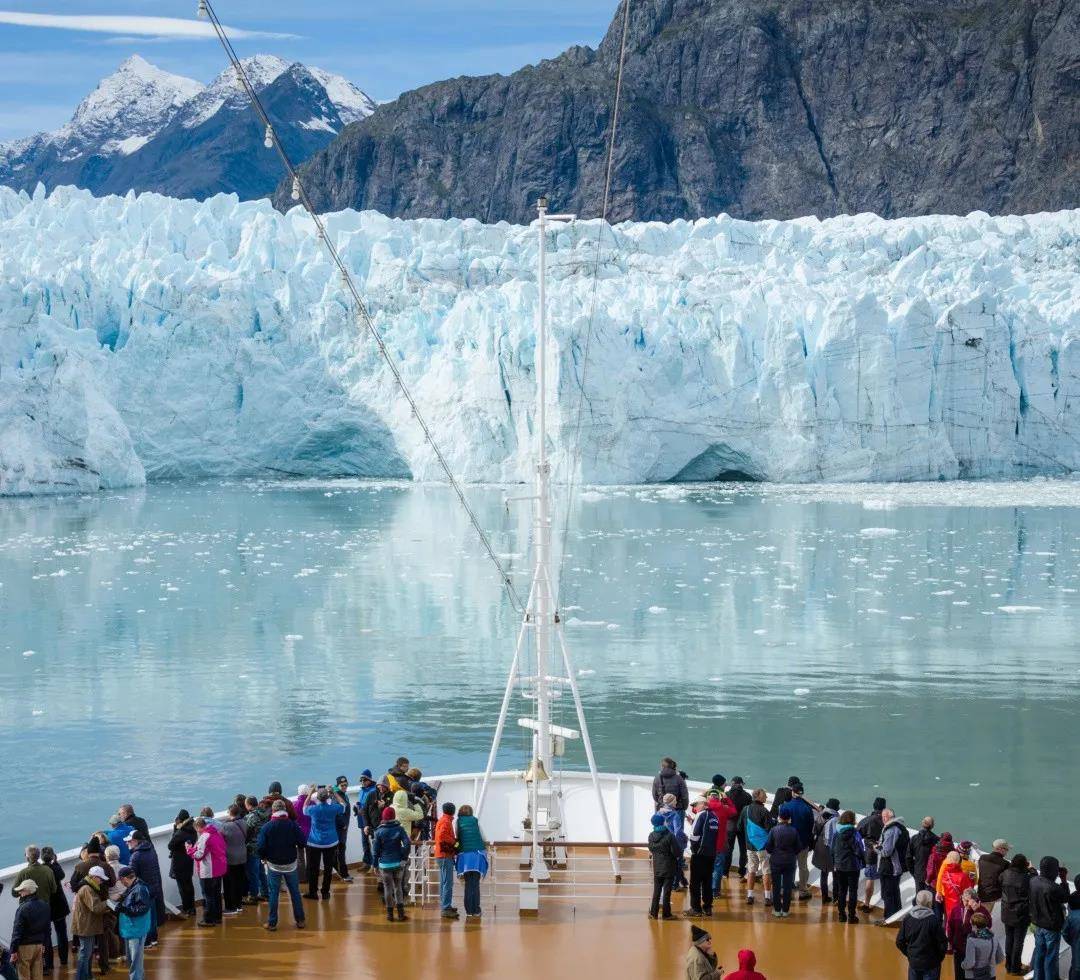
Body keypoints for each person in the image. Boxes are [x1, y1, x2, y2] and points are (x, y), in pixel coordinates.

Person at [256, 799, 307, 932]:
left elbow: (260, 847)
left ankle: (272, 923)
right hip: (291, 864)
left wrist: (264, 858)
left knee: (274, 893)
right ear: (284, 809)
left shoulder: (267, 827)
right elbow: (302, 842)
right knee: (295, 892)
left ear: (273, 810)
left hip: (274, 865)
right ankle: (300, 920)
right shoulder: (292, 825)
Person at [1029, 856, 1070, 980]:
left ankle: (1037, 977)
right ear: (1053, 871)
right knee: (1050, 957)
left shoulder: (1033, 881)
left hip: (1036, 924)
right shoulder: (1053, 887)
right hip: (1051, 927)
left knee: (1040, 954)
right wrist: (1064, 880)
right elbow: (1066, 898)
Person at [302, 786, 344, 900]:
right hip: (330, 842)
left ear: (318, 798)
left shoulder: (313, 809)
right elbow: (343, 804)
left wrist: (310, 793)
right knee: (328, 867)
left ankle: (313, 892)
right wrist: (334, 792)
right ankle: (325, 892)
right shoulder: (333, 808)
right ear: (327, 798)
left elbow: (304, 808)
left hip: (314, 843)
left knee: (313, 868)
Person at [897, 890, 950, 980]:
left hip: (914, 962)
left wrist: (910, 954)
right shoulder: (934, 920)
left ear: (917, 902)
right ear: (930, 903)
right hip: (931, 963)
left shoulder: (907, 919)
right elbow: (943, 943)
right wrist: (938, 958)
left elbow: (899, 941)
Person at [126, 831, 165, 947]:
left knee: (144, 915)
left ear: (136, 841)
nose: (127, 843)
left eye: (129, 841)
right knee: (152, 914)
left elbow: (131, 876)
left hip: (143, 890)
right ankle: (153, 938)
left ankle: (147, 941)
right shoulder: (151, 850)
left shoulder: (136, 856)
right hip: (153, 887)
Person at [372, 806, 411, 922]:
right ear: (394, 816)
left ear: (383, 817)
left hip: (384, 865)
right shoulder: (400, 829)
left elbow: (375, 851)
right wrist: (403, 857)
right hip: (398, 863)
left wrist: (374, 865)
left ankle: (390, 915)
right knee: (398, 887)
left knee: (387, 888)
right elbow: (407, 844)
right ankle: (401, 914)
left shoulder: (378, 831)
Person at [187, 815, 227, 927]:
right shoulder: (217, 833)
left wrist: (189, 850)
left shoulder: (205, 837)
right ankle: (218, 917)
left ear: (198, 827)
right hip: (219, 869)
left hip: (209, 870)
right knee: (217, 894)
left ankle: (209, 920)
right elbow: (222, 847)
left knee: (208, 895)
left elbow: (199, 855)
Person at [71, 866, 108, 980]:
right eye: (100, 879)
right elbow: (96, 907)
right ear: (94, 877)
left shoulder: (87, 886)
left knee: (87, 953)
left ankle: (87, 976)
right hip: (86, 927)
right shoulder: (87, 889)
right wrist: (108, 902)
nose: (101, 881)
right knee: (85, 954)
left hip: (86, 926)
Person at [116, 866, 152, 980]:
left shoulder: (139, 888)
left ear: (124, 879)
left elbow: (142, 908)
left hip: (136, 929)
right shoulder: (135, 887)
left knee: (135, 961)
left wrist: (125, 909)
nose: (122, 883)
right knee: (133, 959)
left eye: (121, 881)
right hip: (132, 929)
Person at [1000, 853, 1034, 977]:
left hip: (1006, 911)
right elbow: (1035, 880)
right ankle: (1015, 968)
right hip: (1021, 913)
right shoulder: (1026, 877)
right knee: (1018, 941)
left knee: (1009, 939)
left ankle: (1008, 965)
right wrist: (1032, 869)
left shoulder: (1005, 874)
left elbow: (1000, 882)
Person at [764, 805, 800, 918]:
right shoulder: (794, 831)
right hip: (789, 861)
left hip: (776, 861)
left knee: (776, 886)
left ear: (779, 817)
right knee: (787, 886)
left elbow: (768, 846)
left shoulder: (774, 830)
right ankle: (785, 910)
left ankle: (777, 909)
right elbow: (798, 847)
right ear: (789, 818)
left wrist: (774, 852)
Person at [687, 796, 721, 917]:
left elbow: (695, 834)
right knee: (707, 881)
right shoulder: (714, 816)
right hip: (711, 854)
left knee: (695, 883)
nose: (694, 808)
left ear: (702, 804)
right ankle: (707, 907)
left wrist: (693, 849)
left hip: (699, 855)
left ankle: (695, 909)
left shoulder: (701, 815)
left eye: (695, 805)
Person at [9, 880, 49, 980]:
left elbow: (17, 931)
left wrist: (13, 950)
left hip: (24, 947)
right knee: (38, 976)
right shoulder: (45, 905)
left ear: (28, 891)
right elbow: (47, 928)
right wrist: (44, 943)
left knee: (24, 976)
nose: (19, 893)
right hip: (39, 945)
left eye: (21, 890)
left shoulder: (23, 908)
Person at [830, 809, 866, 924]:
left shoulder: (837, 833)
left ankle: (841, 915)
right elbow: (859, 849)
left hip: (840, 866)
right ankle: (851, 916)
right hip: (853, 866)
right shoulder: (855, 833)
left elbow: (832, 850)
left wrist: (835, 862)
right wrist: (862, 859)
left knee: (842, 891)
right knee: (853, 891)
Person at [740, 788, 774, 907]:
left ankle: (750, 896)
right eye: (765, 796)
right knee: (766, 871)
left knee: (751, 870)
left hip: (750, 846)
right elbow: (769, 829)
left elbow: (739, 826)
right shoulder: (765, 811)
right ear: (758, 797)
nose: (766, 798)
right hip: (762, 847)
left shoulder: (745, 809)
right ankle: (767, 897)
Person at [39, 847, 69, 974]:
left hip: (45, 906)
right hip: (59, 905)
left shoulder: (40, 870)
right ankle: (63, 959)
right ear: (52, 856)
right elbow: (62, 875)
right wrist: (55, 862)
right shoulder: (55, 868)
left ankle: (49, 962)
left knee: (46, 936)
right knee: (61, 933)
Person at [455, 804, 489, 920]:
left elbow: (456, 838)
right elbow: (484, 837)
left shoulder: (458, 822)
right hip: (477, 856)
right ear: (471, 812)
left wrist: (458, 847)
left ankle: (469, 911)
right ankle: (476, 910)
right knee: (475, 885)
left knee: (468, 885)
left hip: (464, 858)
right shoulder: (475, 821)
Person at [953, 889, 993, 980]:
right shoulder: (956, 909)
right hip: (959, 948)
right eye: (964, 900)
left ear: (974, 900)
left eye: (968, 901)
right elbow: (950, 927)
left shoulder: (979, 910)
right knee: (959, 975)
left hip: (973, 949)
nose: (966, 903)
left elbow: (988, 924)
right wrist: (952, 943)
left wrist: (978, 910)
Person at [785, 783, 816, 901]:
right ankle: (803, 890)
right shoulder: (807, 808)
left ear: (793, 792)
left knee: (790, 866)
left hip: (788, 842)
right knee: (803, 866)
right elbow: (811, 827)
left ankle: (789, 887)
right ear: (802, 793)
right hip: (803, 842)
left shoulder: (786, 806)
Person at [648, 812, 681, 920]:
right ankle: (666, 914)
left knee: (656, 891)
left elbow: (651, 849)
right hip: (669, 867)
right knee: (666, 892)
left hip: (657, 867)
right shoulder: (669, 835)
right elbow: (676, 852)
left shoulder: (651, 836)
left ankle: (653, 913)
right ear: (663, 822)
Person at [706, 789, 738, 898]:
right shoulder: (724, 808)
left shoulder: (705, 807)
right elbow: (734, 811)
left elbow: (694, 809)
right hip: (720, 843)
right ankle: (715, 891)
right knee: (718, 867)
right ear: (719, 797)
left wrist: (703, 794)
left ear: (709, 797)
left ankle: (706, 889)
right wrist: (727, 799)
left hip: (706, 844)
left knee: (707, 867)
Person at [880, 808, 911, 919]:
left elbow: (886, 852)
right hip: (897, 866)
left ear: (889, 817)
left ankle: (888, 918)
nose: (882, 819)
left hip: (890, 866)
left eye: (884, 817)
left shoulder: (891, 830)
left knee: (887, 893)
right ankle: (896, 914)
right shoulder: (901, 828)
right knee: (894, 891)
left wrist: (876, 848)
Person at [857, 797, 886, 914]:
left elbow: (857, 834)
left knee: (870, 878)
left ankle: (866, 904)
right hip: (884, 855)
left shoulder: (868, 820)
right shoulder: (888, 821)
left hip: (870, 854)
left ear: (874, 806)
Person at [219, 804, 249, 915]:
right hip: (242, 856)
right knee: (239, 880)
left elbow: (220, 840)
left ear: (230, 812)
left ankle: (230, 907)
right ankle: (239, 904)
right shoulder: (244, 823)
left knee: (229, 883)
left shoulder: (226, 826)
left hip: (230, 858)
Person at [167, 810, 197, 917]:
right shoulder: (193, 830)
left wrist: (176, 828)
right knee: (189, 885)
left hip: (179, 862)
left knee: (182, 888)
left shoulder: (181, 832)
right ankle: (192, 908)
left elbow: (170, 845)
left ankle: (186, 908)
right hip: (189, 861)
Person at [658, 792, 689, 890]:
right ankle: (675, 885)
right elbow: (678, 831)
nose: (676, 803)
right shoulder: (675, 815)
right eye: (675, 801)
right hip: (673, 843)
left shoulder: (659, 813)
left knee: (667, 863)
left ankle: (682, 881)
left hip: (662, 842)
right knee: (678, 863)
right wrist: (685, 839)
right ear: (672, 802)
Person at [434, 802, 459, 919]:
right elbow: (442, 836)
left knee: (444, 882)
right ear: (453, 811)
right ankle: (445, 907)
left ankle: (445, 905)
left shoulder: (442, 820)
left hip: (441, 855)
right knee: (448, 882)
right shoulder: (446, 821)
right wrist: (454, 841)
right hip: (445, 855)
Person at [812, 798, 840, 904]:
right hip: (831, 848)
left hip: (820, 846)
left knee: (824, 873)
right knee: (835, 874)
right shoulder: (835, 818)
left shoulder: (821, 813)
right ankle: (836, 897)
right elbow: (833, 835)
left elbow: (815, 830)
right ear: (835, 807)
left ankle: (825, 897)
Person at [961, 912, 1005, 979]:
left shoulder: (971, 941)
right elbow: (1001, 958)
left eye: (971, 925)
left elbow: (970, 963)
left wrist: (963, 965)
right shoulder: (993, 937)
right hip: (991, 974)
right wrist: (991, 963)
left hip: (974, 975)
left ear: (975, 926)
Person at [243, 796, 270, 904]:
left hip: (253, 847)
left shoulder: (252, 817)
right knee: (261, 871)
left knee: (253, 873)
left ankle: (253, 896)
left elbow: (247, 833)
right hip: (262, 845)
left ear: (249, 805)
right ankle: (265, 893)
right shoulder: (264, 813)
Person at [725, 777, 752, 880]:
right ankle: (742, 872)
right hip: (742, 826)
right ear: (741, 784)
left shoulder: (727, 795)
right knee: (743, 850)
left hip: (730, 825)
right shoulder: (747, 796)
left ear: (732, 783)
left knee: (728, 850)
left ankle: (725, 872)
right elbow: (749, 812)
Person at [910, 818, 940, 901]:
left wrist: (913, 871)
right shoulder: (937, 840)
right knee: (930, 898)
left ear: (922, 824)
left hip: (918, 872)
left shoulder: (914, 839)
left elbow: (908, 857)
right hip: (931, 875)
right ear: (932, 826)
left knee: (919, 896)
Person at [353, 770, 378, 870]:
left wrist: (362, 809)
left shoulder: (373, 791)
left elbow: (371, 806)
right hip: (361, 819)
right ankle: (367, 862)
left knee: (374, 841)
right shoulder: (362, 790)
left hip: (370, 820)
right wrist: (357, 806)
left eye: (365, 780)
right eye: (361, 780)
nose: (363, 782)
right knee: (364, 841)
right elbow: (361, 803)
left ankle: (374, 864)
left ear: (370, 779)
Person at [331, 777, 354, 882]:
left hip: (342, 829)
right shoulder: (337, 796)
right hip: (339, 829)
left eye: (346, 785)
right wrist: (343, 824)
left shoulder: (342, 794)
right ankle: (344, 874)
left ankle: (339, 872)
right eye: (342, 785)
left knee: (339, 851)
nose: (345, 787)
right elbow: (337, 812)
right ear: (338, 786)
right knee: (340, 851)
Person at [977, 840, 1011, 911]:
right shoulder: (1006, 864)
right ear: (1000, 849)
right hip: (993, 896)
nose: (1007, 852)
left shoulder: (982, 858)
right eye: (1006, 849)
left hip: (980, 892)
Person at [1062, 892, 1080, 980]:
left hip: (1076, 948)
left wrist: (1072, 942)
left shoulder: (1071, 917)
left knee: (1075, 970)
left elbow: (1065, 933)